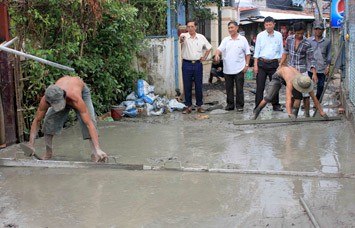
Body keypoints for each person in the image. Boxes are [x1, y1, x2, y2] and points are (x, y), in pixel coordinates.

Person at [24, 76, 108, 162]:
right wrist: (31, 144)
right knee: (49, 121)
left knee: (90, 120)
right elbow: (37, 120)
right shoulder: (47, 99)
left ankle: (95, 152)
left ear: (64, 96)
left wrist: (98, 149)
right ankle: (48, 153)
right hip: (58, 96)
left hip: (81, 93)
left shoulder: (75, 99)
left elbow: (89, 124)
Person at [252, 66, 328, 120]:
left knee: (298, 97)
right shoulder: (290, 82)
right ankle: (256, 112)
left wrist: (322, 112)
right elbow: (288, 99)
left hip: (292, 76)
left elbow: (315, 99)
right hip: (278, 77)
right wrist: (289, 113)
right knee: (269, 97)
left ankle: (294, 117)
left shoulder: (306, 82)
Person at [279, 22, 317, 117]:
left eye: (302, 33)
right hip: (291, 70)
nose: (300, 35)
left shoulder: (307, 43)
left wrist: (314, 73)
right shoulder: (289, 39)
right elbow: (286, 52)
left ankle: (307, 114)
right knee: (292, 93)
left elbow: (311, 59)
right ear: (294, 32)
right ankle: (292, 114)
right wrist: (281, 64)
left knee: (306, 94)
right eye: (298, 33)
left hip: (302, 71)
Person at [214, 21, 251, 112]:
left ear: (237, 28)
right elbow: (219, 49)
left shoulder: (243, 39)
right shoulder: (226, 40)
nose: (230, 29)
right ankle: (230, 105)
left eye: (232, 27)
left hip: (239, 69)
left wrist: (246, 65)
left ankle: (240, 106)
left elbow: (248, 54)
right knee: (228, 88)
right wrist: (217, 55)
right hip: (227, 69)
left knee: (239, 88)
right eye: (229, 28)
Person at [180, 20, 212, 114]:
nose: (190, 28)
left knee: (198, 85)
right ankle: (188, 106)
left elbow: (209, 47)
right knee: (187, 85)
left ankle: (199, 106)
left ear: (195, 27)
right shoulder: (184, 36)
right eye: (188, 26)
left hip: (198, 64)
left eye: (192, 26)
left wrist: (205, 57)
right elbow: (181, 41)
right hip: (186, 64)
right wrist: (182, 40)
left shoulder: (201, 37)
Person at [253, 16, 284, 112]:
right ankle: (258, 106)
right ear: (264, 25)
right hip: (262, 63)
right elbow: (256, 51)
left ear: (274, 24)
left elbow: (281, 50)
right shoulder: (260, 36)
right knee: (260, 86)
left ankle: (276, 105)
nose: (268, 26)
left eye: (270, 24)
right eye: (266, 25)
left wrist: (281, 65)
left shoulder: (279, 35)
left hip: (274, 64)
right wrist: (255, 65)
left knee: (275, 85)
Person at [308, 20, 332, 102]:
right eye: (316, 29)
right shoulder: (309, 41)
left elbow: (329, 55)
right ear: (314, 30)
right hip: (310, 68)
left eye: (320, 29)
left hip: (322, 67)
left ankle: (317, 102)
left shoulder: (327, 42)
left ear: (323, 30)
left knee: (321, 86)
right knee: (307, 86)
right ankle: (306, 102)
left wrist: (328, 67)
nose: (318, 31)